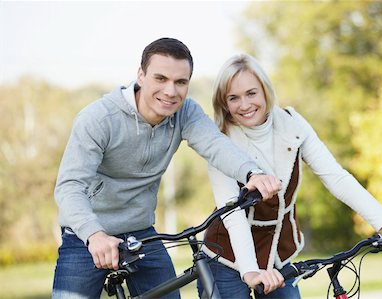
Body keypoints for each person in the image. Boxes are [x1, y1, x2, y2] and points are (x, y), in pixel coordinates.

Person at [52, 38, 283, 299]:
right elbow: (69, 186)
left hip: (141, 235)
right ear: (141, 75)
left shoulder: (185, 113)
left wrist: (252, 173)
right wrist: (94, 234)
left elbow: (216, 145)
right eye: (160, 78)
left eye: (181, 82)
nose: (171, 91)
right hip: (86, 234)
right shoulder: (99, 119)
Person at [198, 53, 382, 299]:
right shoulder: (219, 142)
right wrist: (250, 272)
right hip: (227, 256)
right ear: (224, 103)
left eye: (251, 93)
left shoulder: (293, 124)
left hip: (280, 254)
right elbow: (232, 214)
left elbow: (335, 176)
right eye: (233, 98)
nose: (244, 105)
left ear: (266, 91)